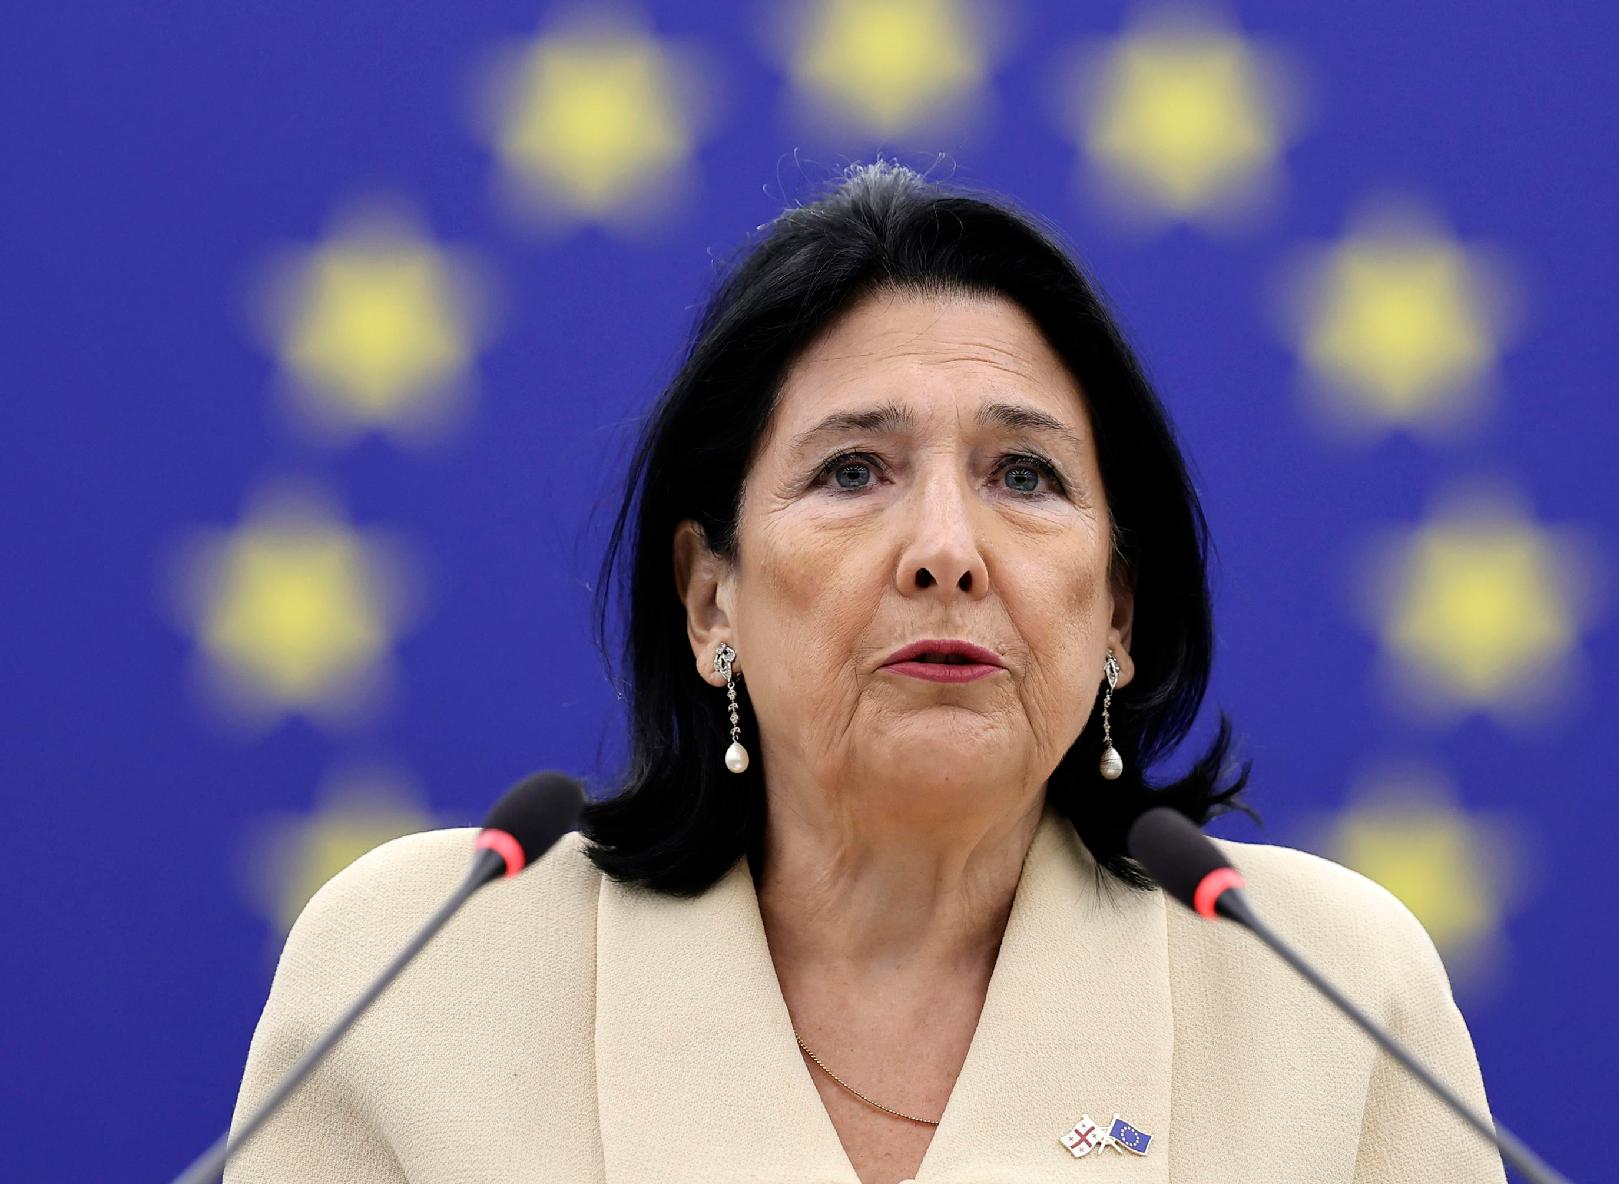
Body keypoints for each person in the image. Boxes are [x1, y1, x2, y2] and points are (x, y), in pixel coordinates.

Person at [224, 160, 1506, 1183]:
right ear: (709, 592)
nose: (946, 551)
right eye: (853, 471)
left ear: (1118, 609)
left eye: (1025, 475)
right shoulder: (427, 966)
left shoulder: (1325, 990)